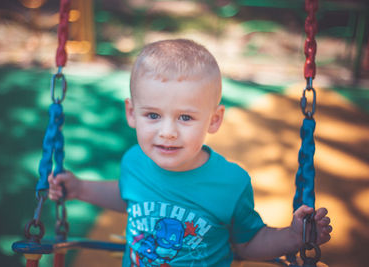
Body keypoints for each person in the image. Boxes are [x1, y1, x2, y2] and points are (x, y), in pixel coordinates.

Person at [48, 39, 332, 267]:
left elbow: (248, 242)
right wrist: (80, 188)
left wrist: (293, 236)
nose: (168, 132)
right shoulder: (134, 161)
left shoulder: (231, 183)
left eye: (185, 117)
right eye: (153, 115)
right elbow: (128, 196)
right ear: (132, 113)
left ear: (214, 120)